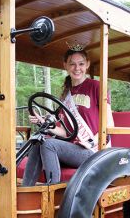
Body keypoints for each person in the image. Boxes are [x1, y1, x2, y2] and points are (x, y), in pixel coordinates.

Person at [22, 47, 114, 186]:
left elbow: (109, 125)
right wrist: (44, 123)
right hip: (72, 149)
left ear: (87, 64)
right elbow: (66, 132)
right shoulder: (65, 94)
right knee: (38, 141)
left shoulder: (97, 87)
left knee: (48, 144)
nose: (77, 68)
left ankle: (52, 194)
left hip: (93, 150)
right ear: (65, 65)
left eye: (81, 64)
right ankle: (26, 192)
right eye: (72, 64)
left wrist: (90, 142)